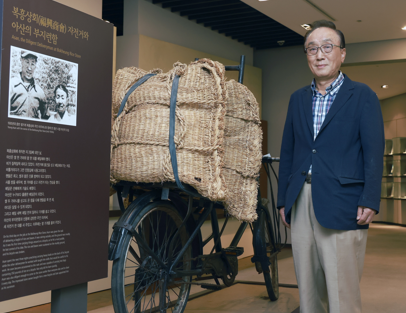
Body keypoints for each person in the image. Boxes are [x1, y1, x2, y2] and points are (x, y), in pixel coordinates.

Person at [277, 20, 384, 313]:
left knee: (341, 288)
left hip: (343, 201)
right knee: (308, 289)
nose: (319, 55)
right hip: (301, 200)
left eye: (327, 47)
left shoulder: (363, 96)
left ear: (342, 54)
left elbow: (374, 152)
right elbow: (289, 152)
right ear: (307, 55)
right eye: (312, 49)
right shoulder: (298, 98)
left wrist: (370, 199)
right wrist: (283, 200)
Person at [9, 51, 47, 119]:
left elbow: (46, 117)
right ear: (21, 61)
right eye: (27, 62)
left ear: (35, 66)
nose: (29, 68)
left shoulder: (40, 92)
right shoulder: (11, 85)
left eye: (32, 64)